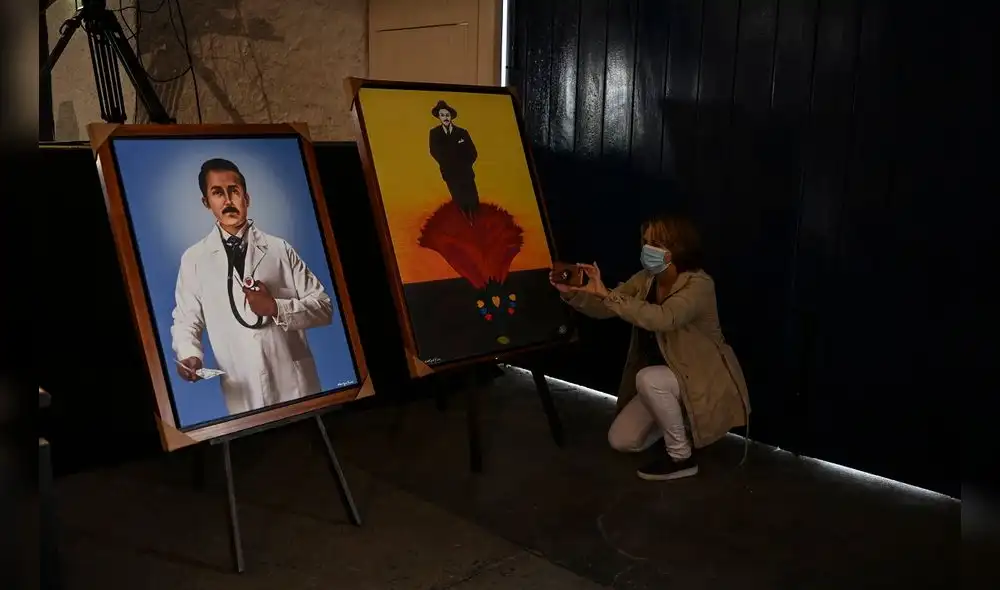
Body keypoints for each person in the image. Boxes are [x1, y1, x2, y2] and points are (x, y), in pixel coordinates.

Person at [551, 214, 750, 481]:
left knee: (648, 378)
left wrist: (608, 294)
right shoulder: (647, 278)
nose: (648, 249)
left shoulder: (699, 285)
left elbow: (664, 318)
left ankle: (682, 457)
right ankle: (681, 424)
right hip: (666, 382)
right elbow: (609, 307)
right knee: (622, 440)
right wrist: (574, 291)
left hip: (700, 377)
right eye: (646, 242)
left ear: (677, 247)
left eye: (656, 242)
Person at [171, 158, 335, 416]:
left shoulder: (280, 249)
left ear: (246, 197)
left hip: (296, 384)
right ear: (206, 202)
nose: (228, 201)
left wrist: (276, 308)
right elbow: (186, 320)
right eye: (217, 193)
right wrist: (190, 354)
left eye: (234, 191)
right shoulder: (194, 259)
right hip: (243, 389)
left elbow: (324, 308)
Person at [429, 99, 479, 219]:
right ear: (439, 117)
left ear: (451, 116)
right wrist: (449, 165)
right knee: (459, 201)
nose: (445, 117)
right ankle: (466, 224)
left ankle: (475, 223)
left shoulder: (462, 132)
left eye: (447, 115)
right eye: (442, 115)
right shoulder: (435, 133)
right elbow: (435, 152)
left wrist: (465, 165)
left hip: (466, 173)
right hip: (450, 173)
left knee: (472, 199)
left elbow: (473, 152)